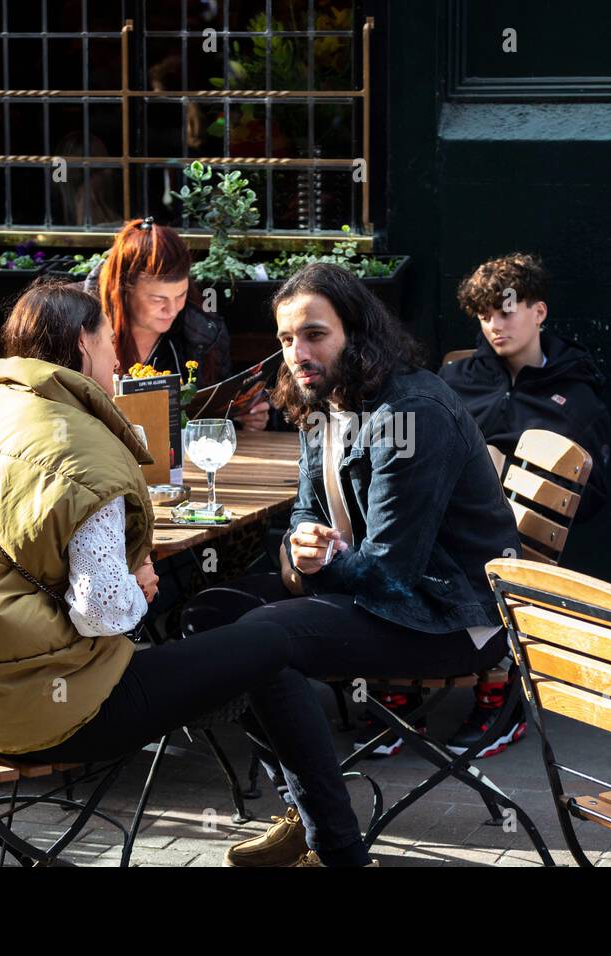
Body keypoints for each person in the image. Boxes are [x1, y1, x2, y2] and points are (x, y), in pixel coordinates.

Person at [180, 262, 520, 866]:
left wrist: (307, 568)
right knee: (210, 614)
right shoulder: (322, 405)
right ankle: (307, 811)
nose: (297, 352)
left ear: (357, 332)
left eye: (314, 334)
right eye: (286, 339)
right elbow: (301, 523)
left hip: (449, 618)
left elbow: (391, 571)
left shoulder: (412, 414)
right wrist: (297, 554)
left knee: (263, 638)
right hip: (374, 596)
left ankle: (337, 851)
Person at [0, 281, 296, 780]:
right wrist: (138, 586)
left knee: (247, 645)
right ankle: (326, 832)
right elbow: (101, 611)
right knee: (273, 640)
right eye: (109, 342)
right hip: (47, 710)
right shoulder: (86, 449)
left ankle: (313, 825)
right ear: (83, 342)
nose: (117, 362)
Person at [437, 252, 610, 757]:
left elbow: (593, 490)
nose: (495, 324)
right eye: (485, 314)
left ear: (539, 312)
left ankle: (498, 693)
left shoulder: (575, 391)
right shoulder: (457, 380)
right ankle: (396, 687)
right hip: (443, 524)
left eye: (506, 311)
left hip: (523, 538)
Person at [88, 217, 268, 430]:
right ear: (124, 291)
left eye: (180, 295)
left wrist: (245, 416)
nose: (172, 310)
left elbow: (217, 408)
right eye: (158, 299)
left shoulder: (202, 333)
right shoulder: (79, 324)